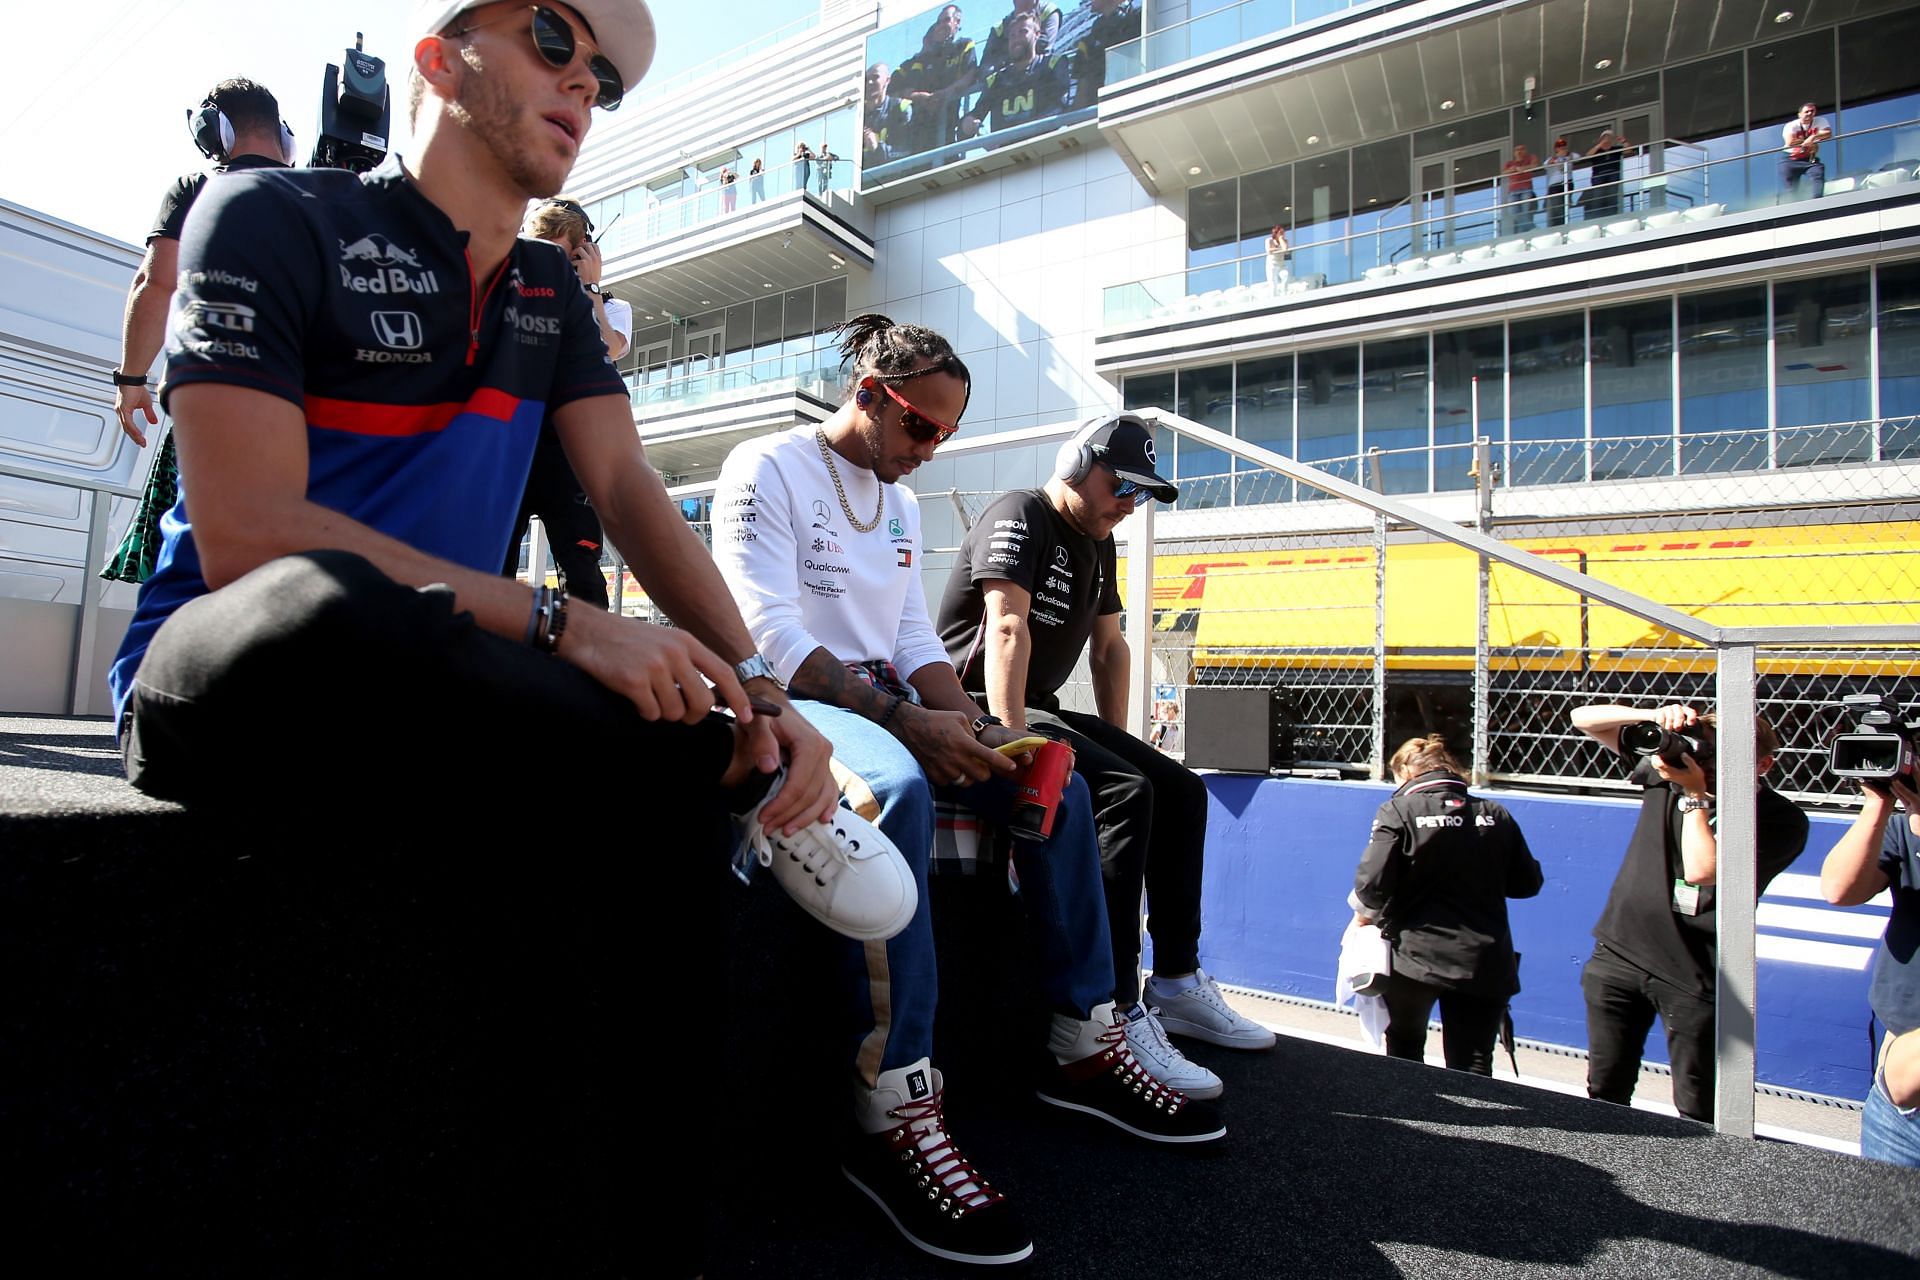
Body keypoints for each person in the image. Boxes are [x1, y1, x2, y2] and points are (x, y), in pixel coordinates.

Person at [101, 7, 898, 1270]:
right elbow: (254, 538)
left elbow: (631, 493)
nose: (584, 84)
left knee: (694, 746)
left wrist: (757, 684)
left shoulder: (546, 291)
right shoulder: (265, 217)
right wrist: (557, 621)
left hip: (435, 678)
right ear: (437, 54)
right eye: (551, 37)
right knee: (334, 604)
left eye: (608, 81)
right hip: (232, 665)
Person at [713, 317, 1224, 1269]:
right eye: (921, 430)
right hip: (796, 696)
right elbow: (765, 631)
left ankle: (1083, 1037)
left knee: (1048, 774)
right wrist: (908, 722)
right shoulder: (767, 465)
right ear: (869, 394)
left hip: (885, 692)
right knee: (900, 788)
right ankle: (895, 1098)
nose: (931, 450)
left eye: (946, 436)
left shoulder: (901, 507)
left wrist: (989, 729)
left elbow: (914, 644)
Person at [935, 412, 1278, 1103]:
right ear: (1074, 464)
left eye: (1142, 494)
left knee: (1173, 787)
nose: (1129, 504)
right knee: (1124, 790)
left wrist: (1125, 746)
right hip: (971, 700)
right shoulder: (1021, 512)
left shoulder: (1099, 541)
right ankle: (1116, 1004)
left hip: (1044, 703)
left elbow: (1112, 648)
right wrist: (1011, 741)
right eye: (1122, 486)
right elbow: (1005, 628)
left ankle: (1177, 981)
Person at [1570, 703, 1809, 1123]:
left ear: (1765, 764)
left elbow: (1704, 871)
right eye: (1707, 754)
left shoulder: (1781, 819)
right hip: (1619, 953)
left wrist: (1695, 796)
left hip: (1695, 970)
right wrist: (1652, 714)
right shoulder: (1670, 770)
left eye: (1724, 760)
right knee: (1604, 1089)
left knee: (1699, 1105)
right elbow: (1583, 718)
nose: (1709, 766)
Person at [102, 78, 294, 586]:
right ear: (285, 138)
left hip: (219, 414)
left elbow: (156, 281)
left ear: (216, 132)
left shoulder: (198, 190)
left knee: (188, 582)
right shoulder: (324, 196)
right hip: (306, 423)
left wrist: (131, 380)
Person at [1351, 736, 1543, 1075]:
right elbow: (1528, 885)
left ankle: (1418, 1120)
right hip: (1483, 959)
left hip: (1413, 959)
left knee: (1405, 1050)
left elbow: (1371, 886)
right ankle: (1479, 1125)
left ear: (1406, 773)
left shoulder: (1398, 810)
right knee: (1474, 1061)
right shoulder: (1495, 813)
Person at [499, 196, 632, 610]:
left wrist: (588, 288)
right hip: (514, 441)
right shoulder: (513, 293)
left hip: (573, 449)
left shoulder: (611, 306)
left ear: (582, 253)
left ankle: (590, 662)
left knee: (583, 572)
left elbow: (607, 348)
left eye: (559, 256)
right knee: (493, 562)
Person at [1820, 774, 1920, 1167]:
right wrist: (1879, 802)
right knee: (1882, 1225)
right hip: (1899, 1097)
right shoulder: (1903, 827)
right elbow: (1840, 889)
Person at [958, 13, 1073, 141]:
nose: (1016, 38)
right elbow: (975, 116)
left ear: (1037, 34)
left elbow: (1061, 106)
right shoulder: (997, 80)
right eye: (1012, 35)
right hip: (1006, 154)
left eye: (1023, 31)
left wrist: (1030, 131)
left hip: (1044, 148)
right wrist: (968, 124)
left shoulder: (1053, 65)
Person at [892, 4, 980, 152]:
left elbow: (970, 75)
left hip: (947, 124)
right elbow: (900, 91)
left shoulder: (964, 45)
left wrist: (945, 94)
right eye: (938, 22)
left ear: (957, 22)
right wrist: (921, 97)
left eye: (946, 20)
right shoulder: (923, 59)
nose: (940, 26)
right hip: (918, 127)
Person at [1061, 0, 1140, 110]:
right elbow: (1081, 92)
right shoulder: (1087, 42)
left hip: (1129, 105)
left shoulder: (1139, 21)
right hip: (1096, 113)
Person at [982, 0, 1062, 77]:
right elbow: (986, 65)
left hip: (1039, 76)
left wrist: (1009, 55)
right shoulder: (1000, 28)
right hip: (1006, 81)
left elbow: (1045, 49)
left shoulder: (1047, 11)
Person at [862, 63, 916, 167]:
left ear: (887, 80)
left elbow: (908, 152)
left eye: (875, 77)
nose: (869, 82)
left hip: (893, 179)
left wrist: (878, 147)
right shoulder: (858, 115)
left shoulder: (901, 108)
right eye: (866, 79)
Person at [1781, 102, 1833, 201]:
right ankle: (1795, 209)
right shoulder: (1791, 125)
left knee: (1817, 172)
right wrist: (1811, 142)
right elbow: (1790, 142)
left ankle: (1817, 201)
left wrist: (1813, 137)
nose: (1809, 113)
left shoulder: (1820, 121)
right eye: (1807, 111)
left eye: (1812, 111)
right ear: (1800, 114)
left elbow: (1828, 133)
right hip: (1790, 158)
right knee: (1791, 189)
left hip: (1809, 158)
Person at [1581, 131, 1626, 219]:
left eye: (1609, 137)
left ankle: (1612, 217)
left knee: (1612, 196)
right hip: (1598, 175)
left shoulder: (1616, 149)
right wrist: (1599, 145)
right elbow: (1587, 155)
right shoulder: (1597, 151)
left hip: (1613, 174)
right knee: (1598, 197)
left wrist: (1624, 141)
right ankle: (1598, 217)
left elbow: (1629, 151)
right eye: (1605, 137)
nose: (1607, 139)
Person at [1501, 143, 1538, 235]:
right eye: (1517, 150)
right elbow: (1504, 173)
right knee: (1514, 212)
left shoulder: (1530, 158)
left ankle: (1522, 234)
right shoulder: (1510, 163)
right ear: (1514, 153)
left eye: (1521, 149)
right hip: (1513, 191)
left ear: (1525, 151)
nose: (1519, 151)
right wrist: (1514, 169)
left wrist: (1522, 168)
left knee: (1525, 212)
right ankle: (1533, 229)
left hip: (1526, 189)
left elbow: (1535, 166)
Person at [1544, 136, 1580, 227]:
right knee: (1555, 208)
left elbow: (1578, 158)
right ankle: (1556, 226)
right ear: (1556, 149)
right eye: (1559, 146)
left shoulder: (1571, 155)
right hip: (1554, 186)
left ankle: (1563, 225)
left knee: (1564, 207)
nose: (1562, 148)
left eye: (1563, 146)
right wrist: (1556, 158)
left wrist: (1567, 155)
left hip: (1567, 183)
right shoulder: (1551, 159)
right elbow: (1545, 165)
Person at [1265, 224, 1290, 295]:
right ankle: (1274, 298)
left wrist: (1281, 239)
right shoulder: (1269, 240)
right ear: (1276, 233)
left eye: (1283, 233)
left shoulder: (1285, 241)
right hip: (1272, 264)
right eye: (1281, 232)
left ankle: (1284, 294)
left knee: (1286, 275)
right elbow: (1269, 250)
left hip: (1281, 264)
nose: (1283, 234)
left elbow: (1285, 249)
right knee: (1273, 283)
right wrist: (1279, 249)